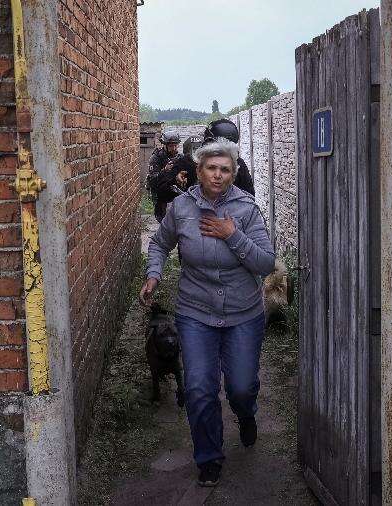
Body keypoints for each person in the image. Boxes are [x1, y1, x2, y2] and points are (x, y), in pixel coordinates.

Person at [139, 138, 275, 487]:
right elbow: (159, 243)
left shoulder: (246, 210)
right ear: (198, 171)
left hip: (242, 313)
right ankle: (209, 458)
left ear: (233, 174)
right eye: (211, 168)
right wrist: (153, 274)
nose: (218, 175)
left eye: (225, 169)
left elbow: (266, 262)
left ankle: (246, 415)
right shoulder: (182, 208)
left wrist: (233, 236)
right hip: (195, 311)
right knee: (200, 388)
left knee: (241, 388)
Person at [146, 131, 182, 221]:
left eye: (175, 145)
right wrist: (164, 170)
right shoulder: (156, 158)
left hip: (174, 191)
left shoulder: (180, 157)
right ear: (164, 145)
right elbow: (153, 179)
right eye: (171, 146)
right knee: (162, 218)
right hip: (159, 191)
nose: (174, 148)